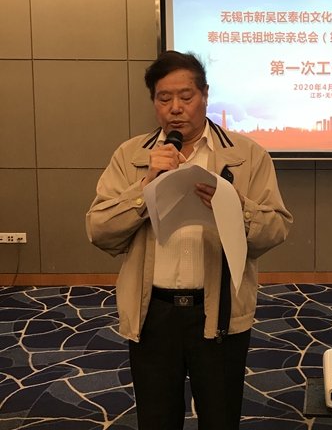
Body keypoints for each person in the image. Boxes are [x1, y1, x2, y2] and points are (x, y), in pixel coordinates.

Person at [86, 50, 293, 430]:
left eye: (186, 96)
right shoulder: (131, 156)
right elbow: (99, 229)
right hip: (153, 313)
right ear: (154, 102)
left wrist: (234, 205)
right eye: (164, 98)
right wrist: (144, 187)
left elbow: (276, 228)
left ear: (205, 95)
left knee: (220, 418)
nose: (175, 108)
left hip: (219, 313)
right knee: (156, 419)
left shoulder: (246, 155)